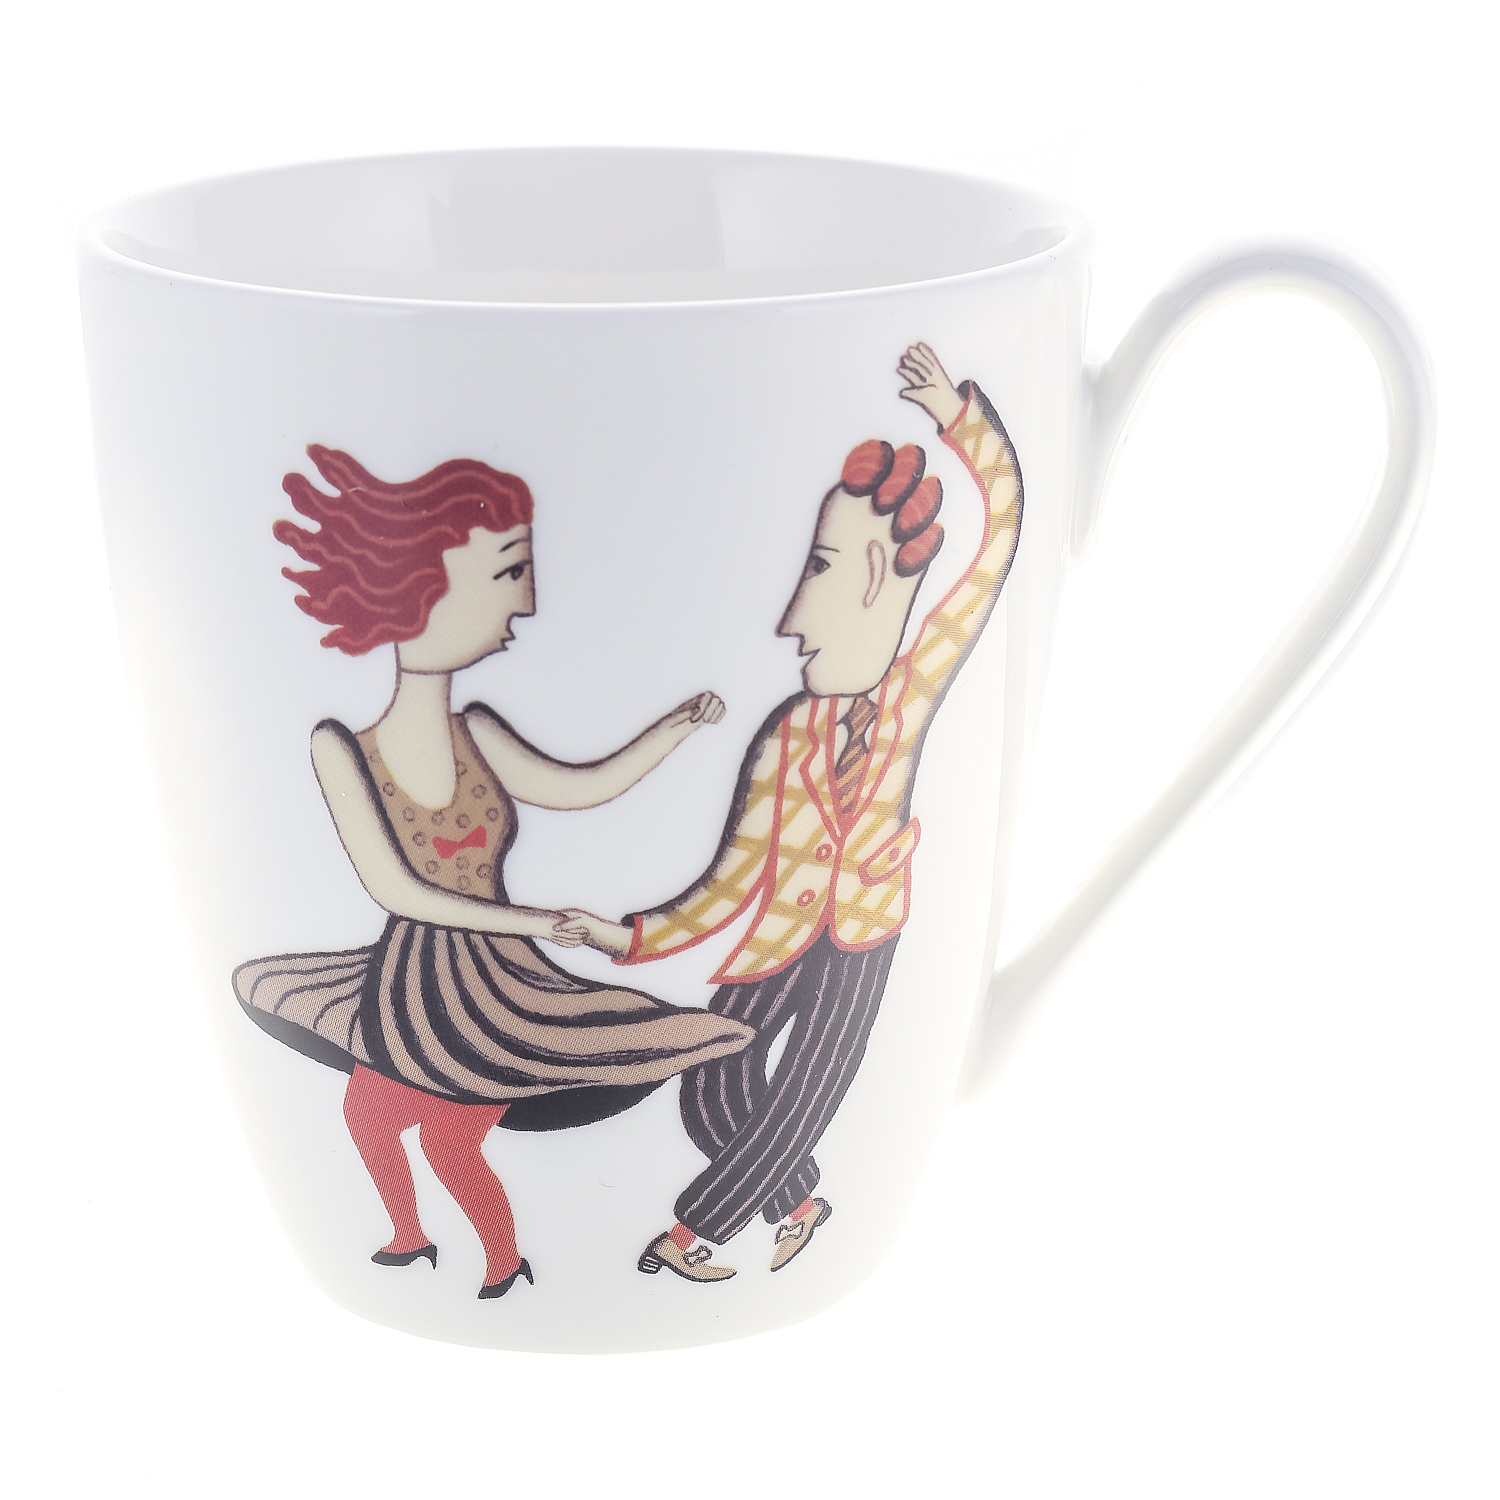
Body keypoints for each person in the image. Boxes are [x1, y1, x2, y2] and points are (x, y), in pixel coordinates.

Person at [234, 446, 753, 1300]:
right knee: (368, 1115)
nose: (528, 601)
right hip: (411, 985)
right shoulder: (342, 748)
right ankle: (409, 1242)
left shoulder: (477, 731)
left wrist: (677, 726)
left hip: (493, 991)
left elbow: (582, 788)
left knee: (449, 1138)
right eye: (509, 571)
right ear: (422, 580)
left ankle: (503, 1266)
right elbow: (395, 891)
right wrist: (534, 921)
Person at [569, 343, 1023, 1280]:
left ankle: (689, 1236)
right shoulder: (788, 732)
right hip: (780, 929)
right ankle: (804, 1205)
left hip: (861, 931)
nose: (790, 619)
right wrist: (628, 937)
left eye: (817, 567)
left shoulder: (911, 689)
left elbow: (1001, 539)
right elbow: (730, 879)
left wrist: (959, 416)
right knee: (711, 1087)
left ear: (875, 577)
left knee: (805, 1092)